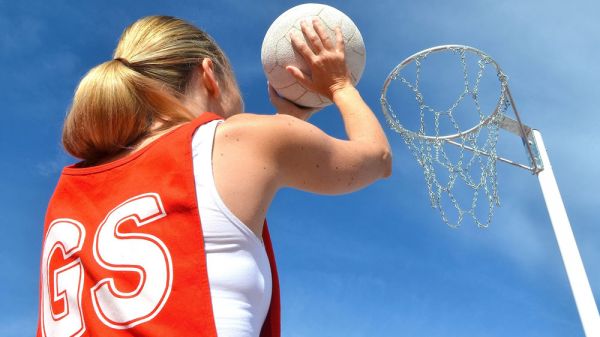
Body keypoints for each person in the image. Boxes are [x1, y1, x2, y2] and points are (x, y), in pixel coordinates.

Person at [37, 15, 391, 337]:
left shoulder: (71, 190)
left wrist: (287, 123)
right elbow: (377, 158)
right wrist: (340, 85)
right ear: (210, 75)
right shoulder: (238, 138)